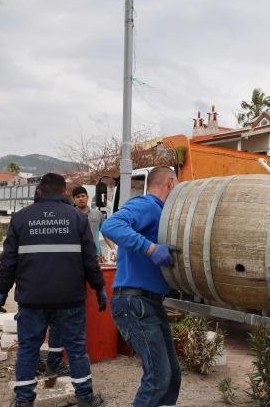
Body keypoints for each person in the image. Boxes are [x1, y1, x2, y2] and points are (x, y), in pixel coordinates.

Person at [0, 173, 107, 407]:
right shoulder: (77, 218)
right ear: (64, 192)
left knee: (28, 350)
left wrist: (2, 289)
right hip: (69, 298)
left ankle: (23, 400)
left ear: (39, 191)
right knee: (76, 350)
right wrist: (99, 287)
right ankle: (85, 398)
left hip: (31, 299)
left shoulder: (21, 218)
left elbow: (8, 260)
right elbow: (90, 259)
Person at [101, 166, 181, 407]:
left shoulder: (163, 214)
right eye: (177, 184)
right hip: (134, 303)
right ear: (170, 182)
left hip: (150, 303)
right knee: (158, 377)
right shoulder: (147, 204)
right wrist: (151, 249)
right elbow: (111, 225)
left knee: (171, 376)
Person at [70, 186, 115, 259]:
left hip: (96, 255)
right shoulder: (70, 215)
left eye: (83, 196)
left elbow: (106, 233)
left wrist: (113, 249)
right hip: (76, 257)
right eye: (77, 197)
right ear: (73, 199)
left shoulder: (97, 214)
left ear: (87, 197)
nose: (81, 199)